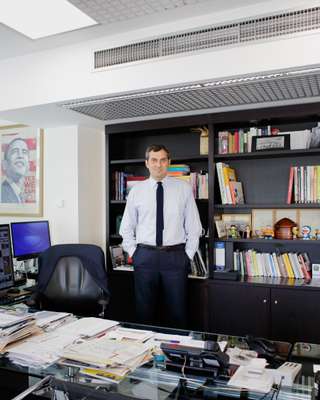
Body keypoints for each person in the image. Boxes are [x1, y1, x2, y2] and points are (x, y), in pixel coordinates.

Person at [119, 144, 202, 328]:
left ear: (169, 162)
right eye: (154, 160)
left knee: (177, 313)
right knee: (144, 313)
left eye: (163, 160)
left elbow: (194, 227)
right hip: (145, 257)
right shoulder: (136, 191)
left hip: (175, 257)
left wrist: (187, 256)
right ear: (147, 163)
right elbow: (126, 228)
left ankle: (177, 355)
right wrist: (135, 253)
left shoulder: (183, 189)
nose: (158, 164)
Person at [1, 138, 29, 203]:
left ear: (28, 164)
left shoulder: (21, 194)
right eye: (15, 151)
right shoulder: (2, 194)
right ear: (5, 164)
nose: (20, 156)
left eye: (24, 152)